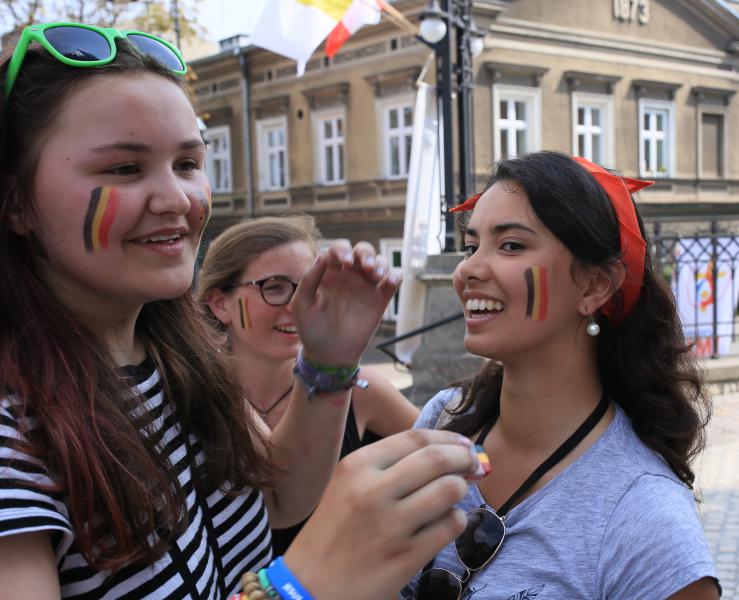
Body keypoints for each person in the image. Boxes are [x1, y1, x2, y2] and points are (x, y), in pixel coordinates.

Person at [0, 22, 480, 599]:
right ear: (16, 201)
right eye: (124, 168)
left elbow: (278, 496)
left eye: (187, 163)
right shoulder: (14, 430)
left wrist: (328, 362)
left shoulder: (175, 349)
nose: (177, 199)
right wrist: (298, 586)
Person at [404, 151, 720, 599]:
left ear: (594, 285)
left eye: (511, 245)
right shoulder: (445, 419)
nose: (468, 270)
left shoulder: (645, 519)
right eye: (472, 245)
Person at [198, 215, 420, 554]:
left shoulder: (361, 391)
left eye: (309, 287)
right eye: (274, 287)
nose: (297, 305)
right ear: (219, 303)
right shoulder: (194, 396)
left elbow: (453, 456)